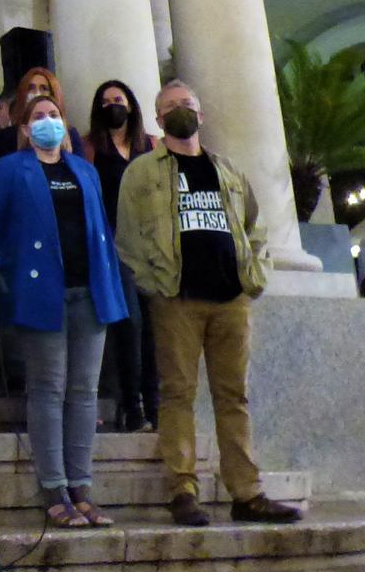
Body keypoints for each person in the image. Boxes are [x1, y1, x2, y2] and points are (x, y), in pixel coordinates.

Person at [115, 79, 301, 527]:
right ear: (159, 120)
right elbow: (127, 237)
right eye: (171, 106)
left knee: (233, 396)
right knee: (177, 395)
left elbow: (255, 227)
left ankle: (246, 493)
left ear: (201, 115)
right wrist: (154, 283)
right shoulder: (142, 172)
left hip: (230, 299)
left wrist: (254, 275)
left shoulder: (227, 170)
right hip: (177, 299)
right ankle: (183, 491)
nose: (181, 110)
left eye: (187, 104)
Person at [0, 91, 127, 527]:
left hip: (90, 290)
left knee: (84, 393)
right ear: (25, 129)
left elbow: (100, 226)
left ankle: (82, 487)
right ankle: (54, 488)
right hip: (41, 293)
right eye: (39, 117)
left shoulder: (84, 169)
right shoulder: (10, 169)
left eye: (54, 115)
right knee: (48, 390)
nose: (48, 122)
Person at [84, 78, 157, 433]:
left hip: (152, 247)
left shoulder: (151, 147)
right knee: (129, 324)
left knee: (154, 327)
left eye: (119, 98)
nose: (114, 104)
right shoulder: (91, 148)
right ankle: (131, 404)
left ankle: (154, 404)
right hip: (113, 244)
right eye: (107, 100)